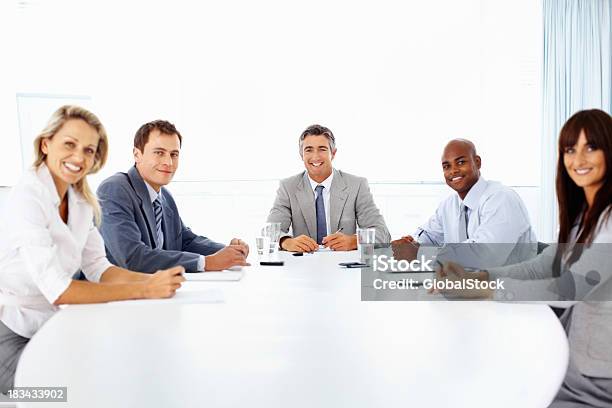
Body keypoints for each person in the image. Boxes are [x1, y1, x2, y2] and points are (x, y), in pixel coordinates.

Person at [0, 106, 186, 393]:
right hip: (11, 332)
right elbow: (59, 289)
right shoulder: (28, 197)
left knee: (117, 373)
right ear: (46, 144)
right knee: (57, 394)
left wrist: (157, 282)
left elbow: (99, 268)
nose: (79, 157)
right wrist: (145, 289)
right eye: (69, 144)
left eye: (89, 150)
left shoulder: (81, 199)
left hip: (56, 325)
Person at [437, 109, 612, 407]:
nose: (578, 159)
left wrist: (484, 289)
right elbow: (545, 265)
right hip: (572, 357)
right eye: (570, 149)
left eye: (591, 147)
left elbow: (567, 288)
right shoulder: (582, 215)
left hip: (596, 377)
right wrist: (482, 279)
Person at [97, 120, 249, 273]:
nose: (168, 162)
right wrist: (207, 262)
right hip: (115, 292)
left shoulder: (164, 197)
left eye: (174, 154)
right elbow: (132, 257)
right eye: (159, 153)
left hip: (155, 291)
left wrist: (230, 252)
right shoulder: (114, 189)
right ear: (137, 154)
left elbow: (185, 241)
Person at [392, 138, 537, 267]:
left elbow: (485, 255)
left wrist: (420, 253)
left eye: (461, 162)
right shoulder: (448, 205)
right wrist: (411, 244)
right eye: (446, 166)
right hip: (472, 290)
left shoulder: (501, 198)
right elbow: (429, 236)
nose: (453, 171)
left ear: (477, 162)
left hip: (512, 292)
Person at [267, 124, 390, 252]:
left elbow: (383, 234)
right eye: (309, 150)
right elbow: (269, 231)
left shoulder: (357, 185)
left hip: (343, 265)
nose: (315, 156)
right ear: (301, 154)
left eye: (322, 149)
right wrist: (286, 242)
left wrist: (355, 240)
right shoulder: (288, 187)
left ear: (333, 153)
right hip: (303, 264)